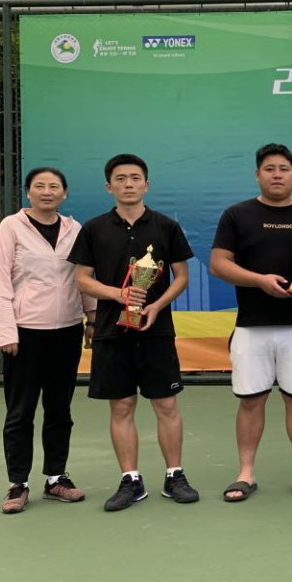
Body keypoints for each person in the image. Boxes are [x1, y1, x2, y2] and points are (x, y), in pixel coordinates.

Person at [69, 154, 200, 511]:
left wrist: (157, 306)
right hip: (112, 332)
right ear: (109, 186)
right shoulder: (93, 229)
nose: (128, 184)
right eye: (121, 178)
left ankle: (174, 475)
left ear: (147, 184)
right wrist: (118, 295)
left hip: (157, 331)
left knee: (166, 404)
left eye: (135, 178)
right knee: (122, 406)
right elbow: (82, 279)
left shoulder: (166, 226)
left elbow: (181, 277)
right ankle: (131, 480)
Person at [210, 144, 292, 502]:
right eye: (269, 169)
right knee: (251, 401)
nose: (277, 175)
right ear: (257, 174)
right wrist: (259, 281)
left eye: (284, 169)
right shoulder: (237, 215)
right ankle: (245, 473)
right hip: (251, 326)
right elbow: (218, 263)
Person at [0, 167, 97, 514]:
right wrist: (6, 332)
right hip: (23, 334)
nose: (47, 191)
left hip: (67, 331)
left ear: (65, 193)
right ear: (28, 192)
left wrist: (92, 317)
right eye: (39, 186)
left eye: (54, 186)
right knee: (20, 412)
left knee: (60, 409)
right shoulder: (10, 227)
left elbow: (83, 276)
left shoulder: (74, 229)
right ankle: (18, 483)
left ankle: (56, 479)